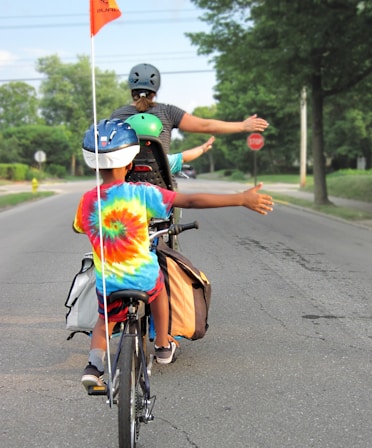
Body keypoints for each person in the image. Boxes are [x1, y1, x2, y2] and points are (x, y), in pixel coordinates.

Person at [74, 119, 273, 389]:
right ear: (131, 163)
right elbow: (190, 201)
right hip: (142, 278)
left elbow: (78, 227)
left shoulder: (87, 200)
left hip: (108, 282)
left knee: (104, 322)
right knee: (160, 292)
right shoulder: (142, 193)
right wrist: (240, 198)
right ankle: (163, 344)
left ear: (95, 164)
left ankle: (93, 368)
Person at [111, 63, 269, 154]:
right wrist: (242, 126)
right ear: (156, 90)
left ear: (132, 88)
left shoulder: (117, 116)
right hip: (162, 190)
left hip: (124, 190)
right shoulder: (168, 112)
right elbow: (205, 126)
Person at [125, 112, 215, 175]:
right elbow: (184, 157)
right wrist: (203, 148)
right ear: (150, 142)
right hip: (159, 201)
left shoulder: (120, 162)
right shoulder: (163, 161)